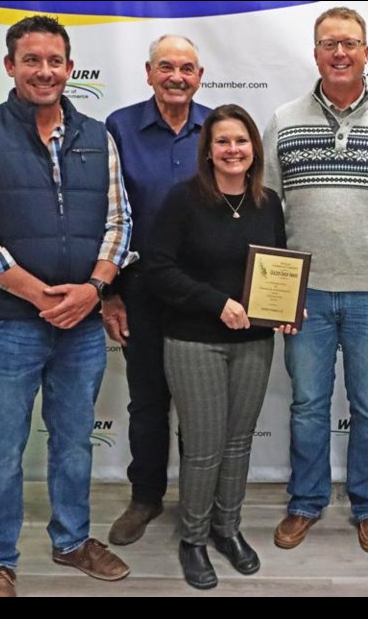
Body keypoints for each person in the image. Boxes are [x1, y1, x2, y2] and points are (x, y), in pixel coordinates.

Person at [0, 15, 133, 597]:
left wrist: (92, 290)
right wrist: (38, 295)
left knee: (74, 439)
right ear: (10, 66)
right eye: (32, 60)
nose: (44, 71)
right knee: (1, 451)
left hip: (80, 322)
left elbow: (120, 222)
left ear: (70, 68)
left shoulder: (99, 136)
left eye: (55, 61)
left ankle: (72, 540)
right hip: (6, 325)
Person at [263, 6, 368, 552]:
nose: (340, 53)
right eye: (329, 43)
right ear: (315, 53)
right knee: (307, 405)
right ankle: (306, 502)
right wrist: (279, 292)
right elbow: (266, 209)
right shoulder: (284, 120)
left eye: (350, 43)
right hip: (304, 297)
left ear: (366, 52)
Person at [145, 104, 292, 589]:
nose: (233, 150)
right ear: (208, 150)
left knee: (238, 442)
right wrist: (216, 303)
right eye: (223, 141)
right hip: (194, 340)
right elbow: (159, 269)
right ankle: (192, 538)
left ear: (255, 149)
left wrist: (289, 308)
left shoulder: (268, 203)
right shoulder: (183, 201)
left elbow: (279, 267)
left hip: (254, 341)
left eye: (242, 141)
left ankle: (226, 528)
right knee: (204, 447)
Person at [104, 34, 211, 546]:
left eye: (186, 68)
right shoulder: (119, 128)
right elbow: (102, 212)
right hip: (140, 289)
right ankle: (145, 497)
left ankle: (199, 501)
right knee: (147, 403)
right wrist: (109, 292)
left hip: (201, 294)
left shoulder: (217, 128)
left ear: (199, 76)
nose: (176, 76)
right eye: (165, 67)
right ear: (149, 73)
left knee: (198, 404)